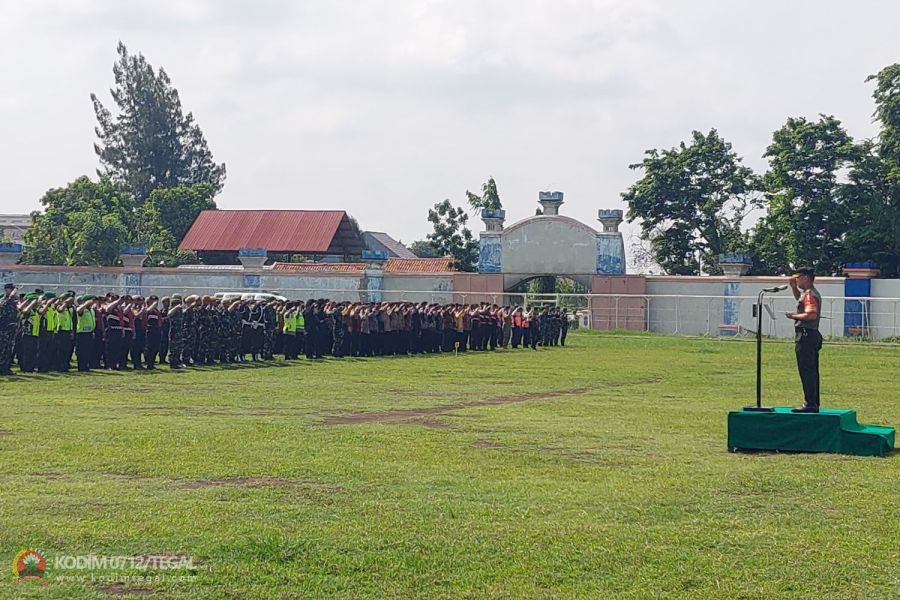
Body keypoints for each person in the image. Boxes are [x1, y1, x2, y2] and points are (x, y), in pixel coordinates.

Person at [785, 267, 823, 413]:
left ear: (806, 278)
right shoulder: (808, 294)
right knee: (812, 370)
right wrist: (794, 288)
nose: (796, 280)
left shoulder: (810, 295)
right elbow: (800, 301)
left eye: (798, 277)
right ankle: (813, 402)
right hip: (812, 335)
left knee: (806, 370)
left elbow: (811, 314)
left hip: (806, 335)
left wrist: (793, 316)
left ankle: (810, 403)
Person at [0, 283, 18, 375]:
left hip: (11, 329)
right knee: (3, 349)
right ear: (7, 290)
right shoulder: (3, 301)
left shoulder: (13, 302)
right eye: (12, 290)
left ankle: (6, 368)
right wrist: (11, 297)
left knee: (9, 349)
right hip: (4, 330)